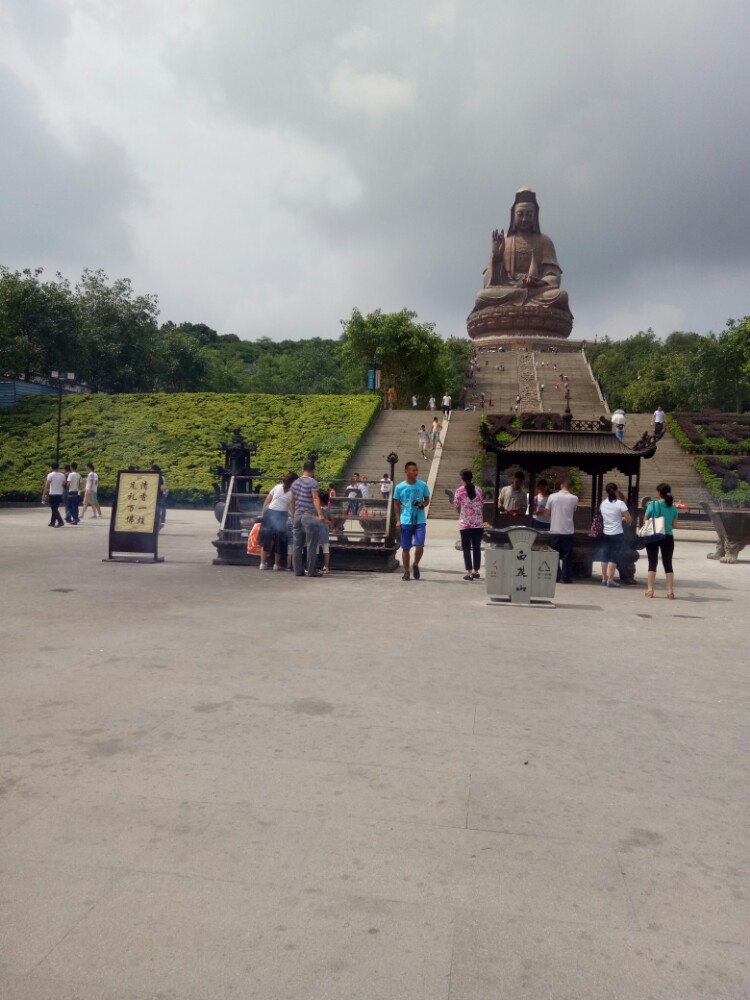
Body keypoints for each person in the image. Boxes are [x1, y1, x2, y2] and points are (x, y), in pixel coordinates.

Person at [393, 461, 430, 581]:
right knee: (406, 548)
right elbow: (396, 503)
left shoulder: (422, 485)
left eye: (416, 470)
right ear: (406, 472)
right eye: (413, 470)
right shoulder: (399, 487)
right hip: (406, 520)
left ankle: (415, 564)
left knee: (419, 545)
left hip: (419, 520)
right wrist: (398, 520)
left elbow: (427, 499)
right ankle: (406, 571)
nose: (415, 472)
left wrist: (422, 505)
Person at [290, 460, 326, 577]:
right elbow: (315, 498)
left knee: (297, 545)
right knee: (311, 544)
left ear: (303, 470)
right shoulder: (313, 482)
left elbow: (292, 500)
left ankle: (298, 571)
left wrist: (293, 514)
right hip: (308, 516)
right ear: (313, 470)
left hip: (297, 516)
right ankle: (311, 571)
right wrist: (320, 514)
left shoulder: (295, 483)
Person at [644, 482, 679, 599]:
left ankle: (650, 590)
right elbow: (675, 525)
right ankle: (669, 591)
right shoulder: (673, 507)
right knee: (668, 563)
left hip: (654, 536)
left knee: (652, 562)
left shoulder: (652, 505)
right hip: (668, 536)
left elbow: (646, 519)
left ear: (659, 492)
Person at [258, 471, 298, 571]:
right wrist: (293, 517)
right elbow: (292, 506)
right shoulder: (293, 492)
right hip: (281, 515)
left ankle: (262, 564)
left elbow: (268, 500)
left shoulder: (277, 487)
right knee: (279, 540)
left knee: (266, 539)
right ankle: (276, 564)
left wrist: (263, 513)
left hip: (270, 513)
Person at [543, 479, 579, 583]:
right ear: (571, 487)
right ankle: (565, 577)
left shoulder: (552, 497)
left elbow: (547, 513)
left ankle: (556, 576)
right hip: (568, 531)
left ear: (561, 486)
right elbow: (574, 510)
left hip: (554, 530)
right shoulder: (574, 498)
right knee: (567, 556)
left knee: (554, 555)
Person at [454, 469, 485, 580]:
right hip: (478, 523)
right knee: (476, 547)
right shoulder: (479, 490)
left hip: (465, 524)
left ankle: (469, 572)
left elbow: (456, 505)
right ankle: (476, 571)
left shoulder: (459, 491)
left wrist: (462, 513)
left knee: (466, 548)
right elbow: (482, 504)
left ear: (462, 478)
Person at [600, 482, 632, 587]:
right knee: (613, 557)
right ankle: (610, 579)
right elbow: (629, 520)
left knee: (605, 556)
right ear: (617, 490)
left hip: (605, 533)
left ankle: (604, 578)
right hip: (617, 534)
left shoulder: (603, 504)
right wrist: (622, 518)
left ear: (606, 491)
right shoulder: (620, 504)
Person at [41, 462, 66, 527]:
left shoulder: (50, 475)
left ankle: (60, 521)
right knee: (55, 508)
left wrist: (43, 494)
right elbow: (64, 484)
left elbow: (47, 485)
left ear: (52, 468)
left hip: (52, 493)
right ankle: (52, 522)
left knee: (54, 508)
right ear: (58, 467)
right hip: (59, 493)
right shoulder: (62, 475)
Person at [317, 490, 334, 574]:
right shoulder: (327, 509)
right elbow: (331, 519)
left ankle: (313, 565)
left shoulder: (318, 509)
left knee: (315, 548)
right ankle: (326, 567)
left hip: (318, 528)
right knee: (326, 548)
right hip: (325, 528)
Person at [151, 464, 167, 529]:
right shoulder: (161, 477)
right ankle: (161, 520)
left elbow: (162, 487)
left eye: (152, 470)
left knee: (161, 507)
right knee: (161, 507)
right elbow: (162, 487)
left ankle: (161, 520)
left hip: (159, 494)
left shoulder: (159, 477)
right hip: (159, 494)